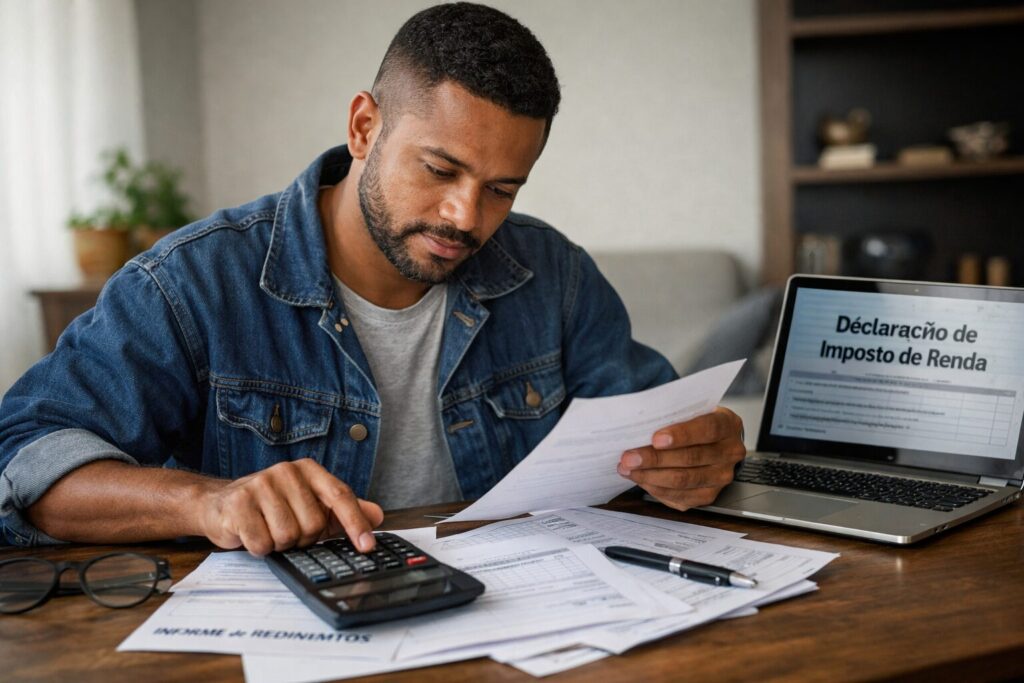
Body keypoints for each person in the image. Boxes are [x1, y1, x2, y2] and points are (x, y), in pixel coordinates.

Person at [0, 2, 744, 556]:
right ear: (364, 127)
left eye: (503, 188)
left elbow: (654, 426)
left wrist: (702, 451)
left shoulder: (553, 275)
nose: (465, 216)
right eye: (440, 168)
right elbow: (27, 458)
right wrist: (211, 501)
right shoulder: (193, 282)